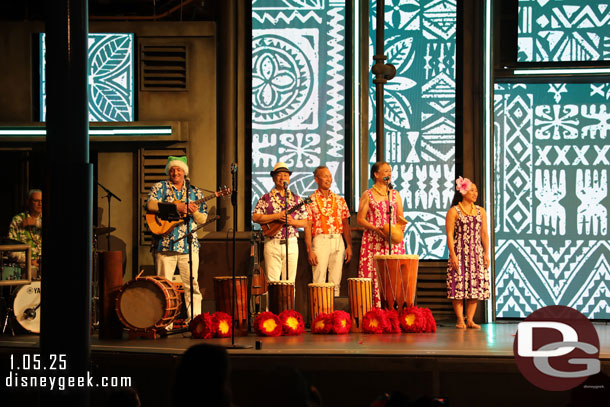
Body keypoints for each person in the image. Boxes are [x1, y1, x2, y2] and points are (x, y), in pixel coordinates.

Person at [146, 156, 207, 320]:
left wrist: (193, 211)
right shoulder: (160, 187)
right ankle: (164, 321)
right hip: (165, 244)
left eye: (179, 169)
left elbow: (203, 219)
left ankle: (195, 320)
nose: (175, 172)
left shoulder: (194, 191)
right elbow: (150, 205)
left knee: (192, 285)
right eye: (172, 169)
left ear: (184, 172)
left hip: (189, 246)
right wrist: (176, 206)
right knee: (163, 286)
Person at [357, 162, 406, 308]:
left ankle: (392, 308)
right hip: (374, 240)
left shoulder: (395, 194)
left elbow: (401, 218)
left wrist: (397, 231)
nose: (389, 174)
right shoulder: (368, 194)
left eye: (390, 171)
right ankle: (373, 309)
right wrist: (375, 229)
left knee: (392, 275)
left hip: (392, 241)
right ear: (376, 174)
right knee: (374, 274)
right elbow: (360, 219)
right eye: (385, 171)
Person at [445, 176, 490, 329]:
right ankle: (460, 319)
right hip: (460, 252)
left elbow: (484, 233)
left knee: (475, 286)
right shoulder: (454, 211)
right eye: (472, 190)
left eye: (476, 191)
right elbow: (450, 235)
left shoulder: (480, 211)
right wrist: (453, 254)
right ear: (463, 191)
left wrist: (486, 253)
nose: (475, 193)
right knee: (458, 285)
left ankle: (470, 319)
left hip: (476, 253)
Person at [252, 162, 308, 282]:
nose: (283, 178)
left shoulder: (296, 199)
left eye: (286, 175)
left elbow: (305, 222)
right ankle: (274, 302)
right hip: (272, 242)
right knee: (273, 282)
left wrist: (292, 221)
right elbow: (255, 217)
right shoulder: (266, 198)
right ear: (273, 178)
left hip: (291, 242)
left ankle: (289, 302)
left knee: (290, 282)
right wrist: (276, 216)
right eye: (280, 175)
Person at [304, 165, 352, 296]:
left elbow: (345, 224)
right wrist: (310, 250)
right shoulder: (310, 200)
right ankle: (318, 314)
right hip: (320, 240)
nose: (329, 179)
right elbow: (307, 226)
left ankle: (334, 314)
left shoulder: (340, 200)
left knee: (335, 282)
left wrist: (349, 246)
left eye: (330, 176)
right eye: (325, 176)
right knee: (319, 280)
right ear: (316, 179)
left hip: (338, 240)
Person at [8, 189, 43, 277]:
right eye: (36, 201)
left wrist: (36, 223)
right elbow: (11, 250)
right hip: (26, 266)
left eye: (42, 201)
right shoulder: (18, 220)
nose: (40, 204)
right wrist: (29, 260)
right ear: (28, 202)